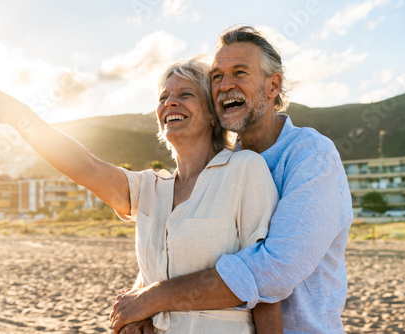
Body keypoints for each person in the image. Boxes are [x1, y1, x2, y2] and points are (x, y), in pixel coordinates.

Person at [0, 56, 283, 333]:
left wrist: (150, 298)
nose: (170, 102)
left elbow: (268, 288)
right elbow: (84, 166)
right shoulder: (150, 188)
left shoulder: (245, 170)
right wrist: (16, 114)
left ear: (213, 113)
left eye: (185, 94)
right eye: (163, 97)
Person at [110, 25, 354, 334]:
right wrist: (143, 306)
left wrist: (155, 298)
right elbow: (183, 250)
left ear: (273, 85)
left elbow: (272, 270)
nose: (225, 85)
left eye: (240, 73)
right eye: (216, 76)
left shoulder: (312, 157)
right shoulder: (222, 166)